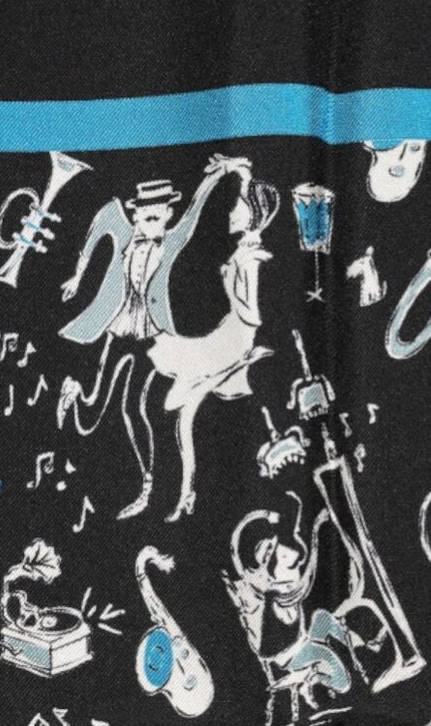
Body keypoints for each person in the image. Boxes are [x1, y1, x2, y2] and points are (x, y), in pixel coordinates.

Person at [57, 156, 245, 517]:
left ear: (168, 215)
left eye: (158, 218)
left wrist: (219, 173)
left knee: (135, 408)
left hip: (152, 336)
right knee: (93, 410)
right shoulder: (121, 226)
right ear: (136, 214)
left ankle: (147, 485)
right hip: (118, 328)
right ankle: (75, 392)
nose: (151, 224)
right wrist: (78, 276)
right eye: (145, 217)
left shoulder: (170, 242)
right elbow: (98, 229)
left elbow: (195, 211)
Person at [147, 166, 277, 520]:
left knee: (186, 412)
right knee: (179, 411)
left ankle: (186, 493)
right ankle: (181, 491)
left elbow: (253, 314)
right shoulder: (242, 249)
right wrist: (241, 171)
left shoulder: (249, 256)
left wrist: (230, 289)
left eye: (239, 205)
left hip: (233, 341)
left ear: (253, 214)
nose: (232, 211)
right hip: (223, 338)